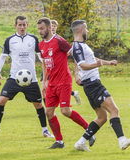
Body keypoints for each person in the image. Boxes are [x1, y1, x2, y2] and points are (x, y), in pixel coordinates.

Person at [71, 20, 130, 151]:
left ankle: (80, 143)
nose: (88, 31)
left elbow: (93, 60)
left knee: (102, 118)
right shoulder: (77, 47)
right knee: (114, 110)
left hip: (91, 85)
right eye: (86, 29)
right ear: (80, 30)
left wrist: (108, 63)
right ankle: (122, 140)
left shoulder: (82, 45)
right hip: (93, 85)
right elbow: (83, 66)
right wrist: (98, 65)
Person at [0, 16, 53, 138]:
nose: (22, 27)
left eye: (24, 25)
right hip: (14, 78)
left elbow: (41, 57)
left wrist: (46, 74)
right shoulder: (10, 40)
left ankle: (45, 130)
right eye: (19, 25)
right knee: (1, 100)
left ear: (27, 25)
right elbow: (2, 57)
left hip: (31, 79)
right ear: (15, 25)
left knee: (38, 105)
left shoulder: (33, 39)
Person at [37, 17, 95, 149]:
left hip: (64, 81)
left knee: (65, 111)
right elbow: (45, 64)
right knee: (49, 112)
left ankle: (89, 131)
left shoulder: (59, 41)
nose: (40, 31)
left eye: (42, 28)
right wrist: (44, 82)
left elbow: (74, 54)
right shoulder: (41, 45)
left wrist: (77, 72)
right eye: (38, 29)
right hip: (51, 83)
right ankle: (59, 141)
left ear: (48, 27)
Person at [51, 19, 81, 105]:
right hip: (49, 69)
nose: (52, 28)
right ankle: (73, 94)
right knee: (46, 86)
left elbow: (71, 52)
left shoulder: (60, 40)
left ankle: (60, 104)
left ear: (56, 28)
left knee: (57, 87)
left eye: (54, 26)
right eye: (51, 26)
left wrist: (77, 70)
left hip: (59, 70)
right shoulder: (45, 40)